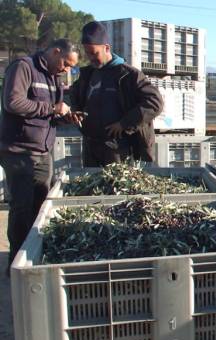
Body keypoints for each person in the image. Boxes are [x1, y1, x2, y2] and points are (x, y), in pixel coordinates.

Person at [0, 39, 79, 274]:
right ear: (55, 52)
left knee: (41, 208)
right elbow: (13, 103)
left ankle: (34, 259)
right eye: (66, 63)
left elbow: (50, 110)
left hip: (43, 151)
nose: (66, 70)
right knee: (22, 209)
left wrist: (65, 116)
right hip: (19, 152)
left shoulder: (54, 76)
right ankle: (17, 265)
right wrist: (52, 110)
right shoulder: (23, 67)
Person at [68, 21, 163, 167]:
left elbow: (154, 103)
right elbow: (75, 92)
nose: (91, 58)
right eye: (87, 53)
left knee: (113, 187)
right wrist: (75, 110)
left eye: (94, 53)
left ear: (106, 48)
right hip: (91, 147)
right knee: (92, 188)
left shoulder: (129, 75)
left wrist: (124, 123)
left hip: (117, 149)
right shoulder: (88, 74)